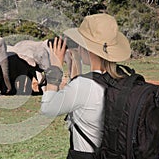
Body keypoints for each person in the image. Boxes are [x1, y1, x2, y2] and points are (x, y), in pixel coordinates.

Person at [40, 13, 131, 158]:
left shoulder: (83, 86)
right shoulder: (126, 80)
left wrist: (55, 69)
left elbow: (47, 109)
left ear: (86, 48)